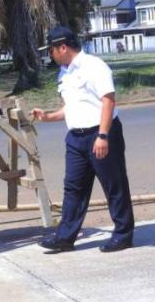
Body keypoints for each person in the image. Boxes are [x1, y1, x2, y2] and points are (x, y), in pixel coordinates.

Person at [31, 26, 134, 253]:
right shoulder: (65, 72)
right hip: (76, 139)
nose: (50, 54)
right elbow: (72, 107)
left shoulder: (94, 67)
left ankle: (123, 234)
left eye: (51, 50)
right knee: (73, 188)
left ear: (63, 47)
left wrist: (103, 136)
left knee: (113, 185)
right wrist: (48, 116)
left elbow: (108, 101)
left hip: (101, 134)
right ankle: (65, 238)